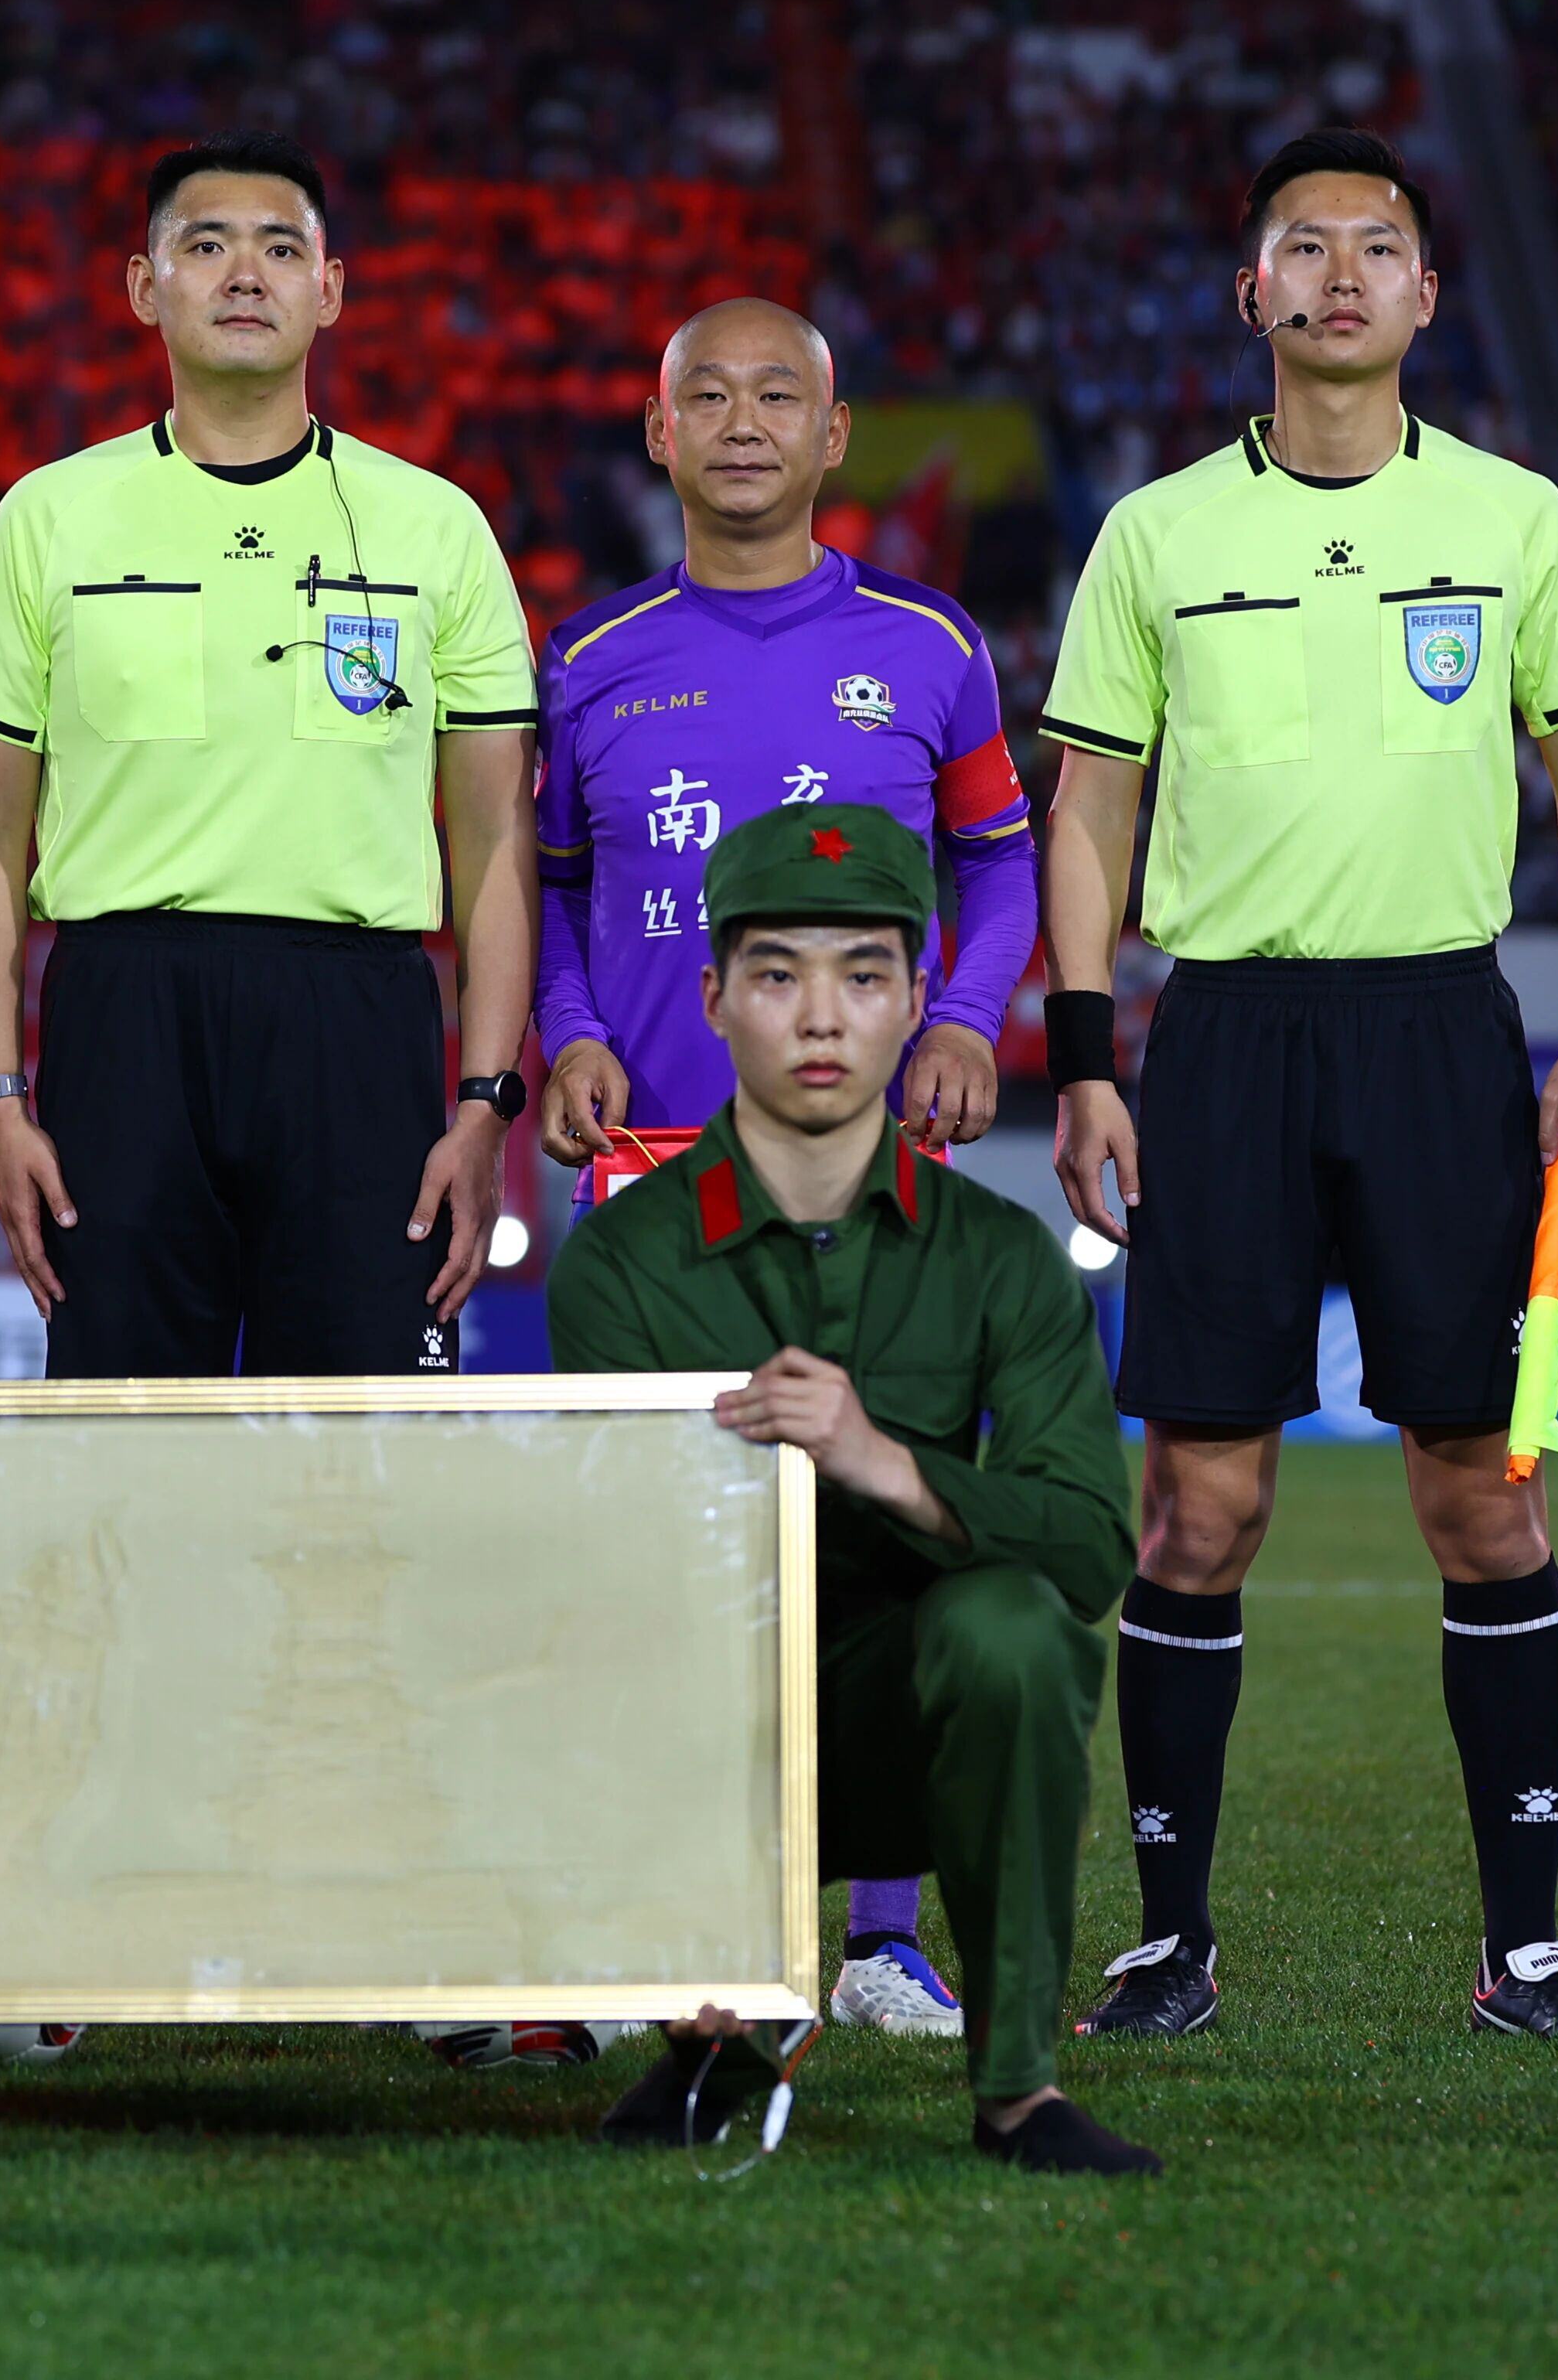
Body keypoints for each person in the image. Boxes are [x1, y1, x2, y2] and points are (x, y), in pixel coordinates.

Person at [1036, 127, 1558, 2049]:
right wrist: (1086, 1051)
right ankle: (1168, 1947)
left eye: (1375, 247)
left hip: (1442, 1036)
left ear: (1425, 295)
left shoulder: (1515, 517)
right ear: (1254, 294)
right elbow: (1091, 800)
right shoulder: (1157, 536)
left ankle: (1528, 1955)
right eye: (1302, 248)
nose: (1338, 275)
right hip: (1222, 1037)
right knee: (1197, 1514)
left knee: (1485, 1502)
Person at [530, 295, 1037, 2042]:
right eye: (708, 396)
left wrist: (963, 1015)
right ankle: (660, 1928)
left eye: (778, 397)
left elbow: (1001, 865)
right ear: (657, 436)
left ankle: (882, 1940)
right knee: (646, 1568)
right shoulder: (588, 659)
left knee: (884, 1540)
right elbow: (548, 890)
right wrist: (567, 1033)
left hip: (863, 1167)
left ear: (834, 437)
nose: (742, 423)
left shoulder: (930, 647)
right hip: (650, 1176)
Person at [548, 803, 1154, 2176]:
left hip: (901, 1734)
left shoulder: (1000, 1258)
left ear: (917, 999)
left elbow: (1088, 1547)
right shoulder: (623, 1263)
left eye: (865, 974)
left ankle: (1018, 2093)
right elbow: (613, 1576)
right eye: (778, 974)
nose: (822, 1016)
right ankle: (705, 2027)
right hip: (690, 1728)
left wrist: (884, 1462)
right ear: (713, 997)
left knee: (1014, 1628)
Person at [0, 130, 537, 1380]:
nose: (245, 274)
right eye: (206, 246)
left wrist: (485, 1104)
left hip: (358, 1019)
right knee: (124, 1428)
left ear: (332, 289)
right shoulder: (46, 519)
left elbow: (492, 839)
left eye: (280, 249)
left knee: (367, 1436)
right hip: (124, 1017)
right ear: (143, 287)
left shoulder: (437, 527)